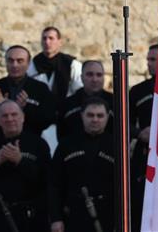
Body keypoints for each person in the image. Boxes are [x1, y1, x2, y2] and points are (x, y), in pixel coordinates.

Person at [0, 99, 51, 231]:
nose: (10, 119)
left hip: (30, 218)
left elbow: (47, 181)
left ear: (23, 117)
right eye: (5, 116)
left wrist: (20, 161)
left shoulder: (38, 144)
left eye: (14, 114)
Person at [49, 98, 114, 232]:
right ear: (81, 115)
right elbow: (54, 184)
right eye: (90, 115)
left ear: (107, 116)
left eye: (100, 115)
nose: (95, 119)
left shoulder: (117, 145)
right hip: (74, 216)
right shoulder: (66, 145)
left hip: (108, 216)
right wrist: (56, 218)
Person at [0, 45, 56, 137]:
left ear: (28, 63)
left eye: (20, 61)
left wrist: (25, 109)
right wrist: (0, 109)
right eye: (10, 61)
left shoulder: (40, 88)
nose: (15, 65)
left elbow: (48, 119)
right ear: (6, 62)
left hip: (30, 141)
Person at [129, 43, 158, 232]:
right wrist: (139, 133)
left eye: (153, 59)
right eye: (148, 59)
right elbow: (125, 123)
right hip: (145, 156)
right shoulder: (138, 91)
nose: (148, 63)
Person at [58, 60, 113, 140]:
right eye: (90, 74)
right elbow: (61, 133)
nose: (94, 79)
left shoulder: (116, 103)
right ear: (81, 77)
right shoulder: (68, 104)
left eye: (99, 75)